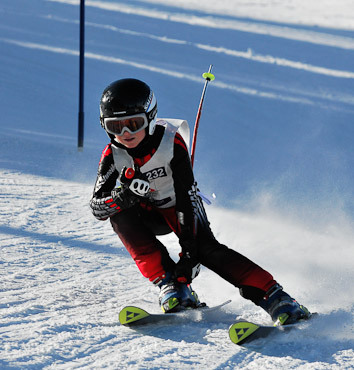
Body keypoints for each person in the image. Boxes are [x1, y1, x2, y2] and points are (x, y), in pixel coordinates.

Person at [89, 78, 311, 325]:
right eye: (116, 127)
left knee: (206, 250)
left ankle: (276, 298)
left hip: (179, 207)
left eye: (134, 124)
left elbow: (186, 197)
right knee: (120, 214)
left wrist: (189, 252)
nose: (125, 134)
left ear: (150, 118)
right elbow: (97, 207)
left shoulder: (170, 143)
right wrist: (120, 197)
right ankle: (171, 286)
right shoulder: (112, 155)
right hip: (147, 215)